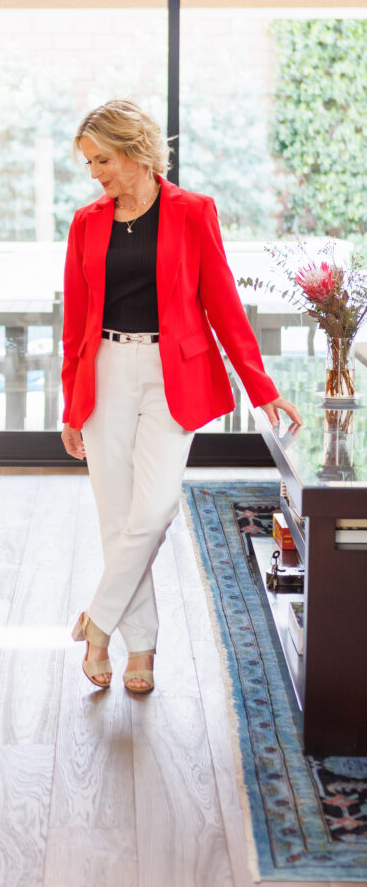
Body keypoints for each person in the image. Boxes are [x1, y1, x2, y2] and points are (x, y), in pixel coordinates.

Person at [61, 99, 302, 694]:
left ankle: (98, 622)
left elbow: (222, 302)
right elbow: (75, 322)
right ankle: (139, 648)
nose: (97, 174)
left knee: (156, 506)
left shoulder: (194, 212)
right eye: (90, 163)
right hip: (106, 370)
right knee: (117, 519)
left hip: (174, 371)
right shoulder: (86, 222)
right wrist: (71, 403)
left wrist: (261, 388)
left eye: (104, 160)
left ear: (137, 150)